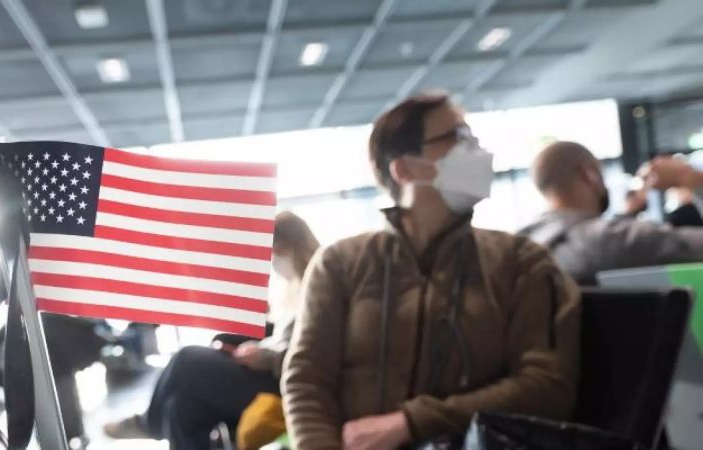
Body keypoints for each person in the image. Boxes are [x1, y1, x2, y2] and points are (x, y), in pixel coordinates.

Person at [281, 93, 581, 449]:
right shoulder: (340, 264)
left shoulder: (521, 262)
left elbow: (547, 386)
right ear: (405, 168)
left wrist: (410, 422)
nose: (478, 150)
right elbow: (308, 381)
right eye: (458, 138)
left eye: (474, 137)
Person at [103, 211, 321, 449]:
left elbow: (315, 353)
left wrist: (266, 356)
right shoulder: (294, 287)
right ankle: (151, 423)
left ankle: (148, 424)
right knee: (182, 404)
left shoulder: (319, 286)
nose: (273, 262)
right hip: (271, 367)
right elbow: (283, 336)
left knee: (188, 359)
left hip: (283, 381)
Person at [519, 141, 703, 284]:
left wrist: (627, 214)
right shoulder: (616, 239)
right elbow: (607, 240)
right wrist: (689, 177)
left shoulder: (523, 245)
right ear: (589, 174)